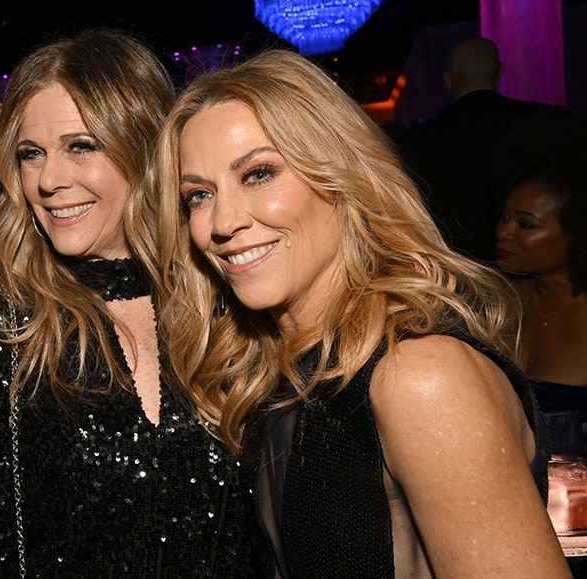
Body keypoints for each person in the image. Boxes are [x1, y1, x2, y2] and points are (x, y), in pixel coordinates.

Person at [163, 48, 567, 577]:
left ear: (341, 178)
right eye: (198, 195)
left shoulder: (420, 375)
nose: (223, 221)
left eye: (259, 174)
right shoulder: (283, 377)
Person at [0, 30, 259, 576]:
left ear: (141, 149)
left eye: (80, 147)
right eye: (31, 154)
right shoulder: (1, 326)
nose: (49, 180)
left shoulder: (228, 300)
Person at [402, 36, 564, 263]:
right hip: (532, 268)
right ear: (500, 73)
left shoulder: (421, 140)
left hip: (455, 268)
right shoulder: (547, 124)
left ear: (447, 80)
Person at [496, 171, 587, 420]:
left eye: (525, 224)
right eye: (504, 216)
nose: (503, 232)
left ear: (576, 235)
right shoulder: (496, 301)